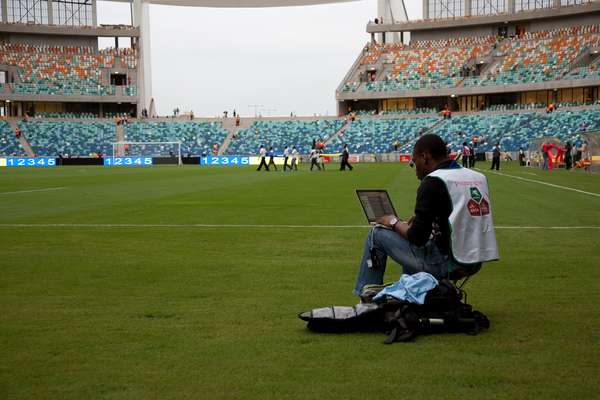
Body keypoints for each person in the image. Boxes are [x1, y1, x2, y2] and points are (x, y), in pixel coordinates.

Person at [353, 134, 498, 296]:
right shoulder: (478, 177)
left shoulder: (433, 181)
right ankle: (413, 296)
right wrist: (429, 219)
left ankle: (364, 298)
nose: (415, 169)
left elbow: (417, 237)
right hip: (473, 261)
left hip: (446, 263)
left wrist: (393, 222)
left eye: (414, 162)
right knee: (414, 238)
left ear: (425, 157)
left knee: (376, 234)